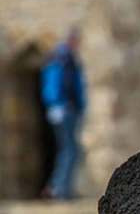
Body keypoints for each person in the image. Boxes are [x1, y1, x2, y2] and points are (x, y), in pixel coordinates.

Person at [41, 28, 87, 200]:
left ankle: (59, 186)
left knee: (67, 150)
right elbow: (60, 85)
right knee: (69, 150)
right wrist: (60, 104)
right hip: (64, 110)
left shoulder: (61, 58)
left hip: (63, 110)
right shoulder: (63, 58)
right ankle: (59, 189)